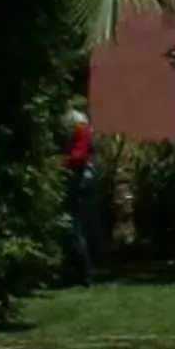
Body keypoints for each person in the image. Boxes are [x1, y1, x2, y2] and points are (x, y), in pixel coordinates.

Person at [60, 106, 96, 287]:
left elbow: (78, 156)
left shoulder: (80, 129)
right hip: (83, 180)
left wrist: (59, 162)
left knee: (75, 229)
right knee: (78, 228)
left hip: (81, 181)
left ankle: (83, 276)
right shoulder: (83, 128)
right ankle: (81, 274)